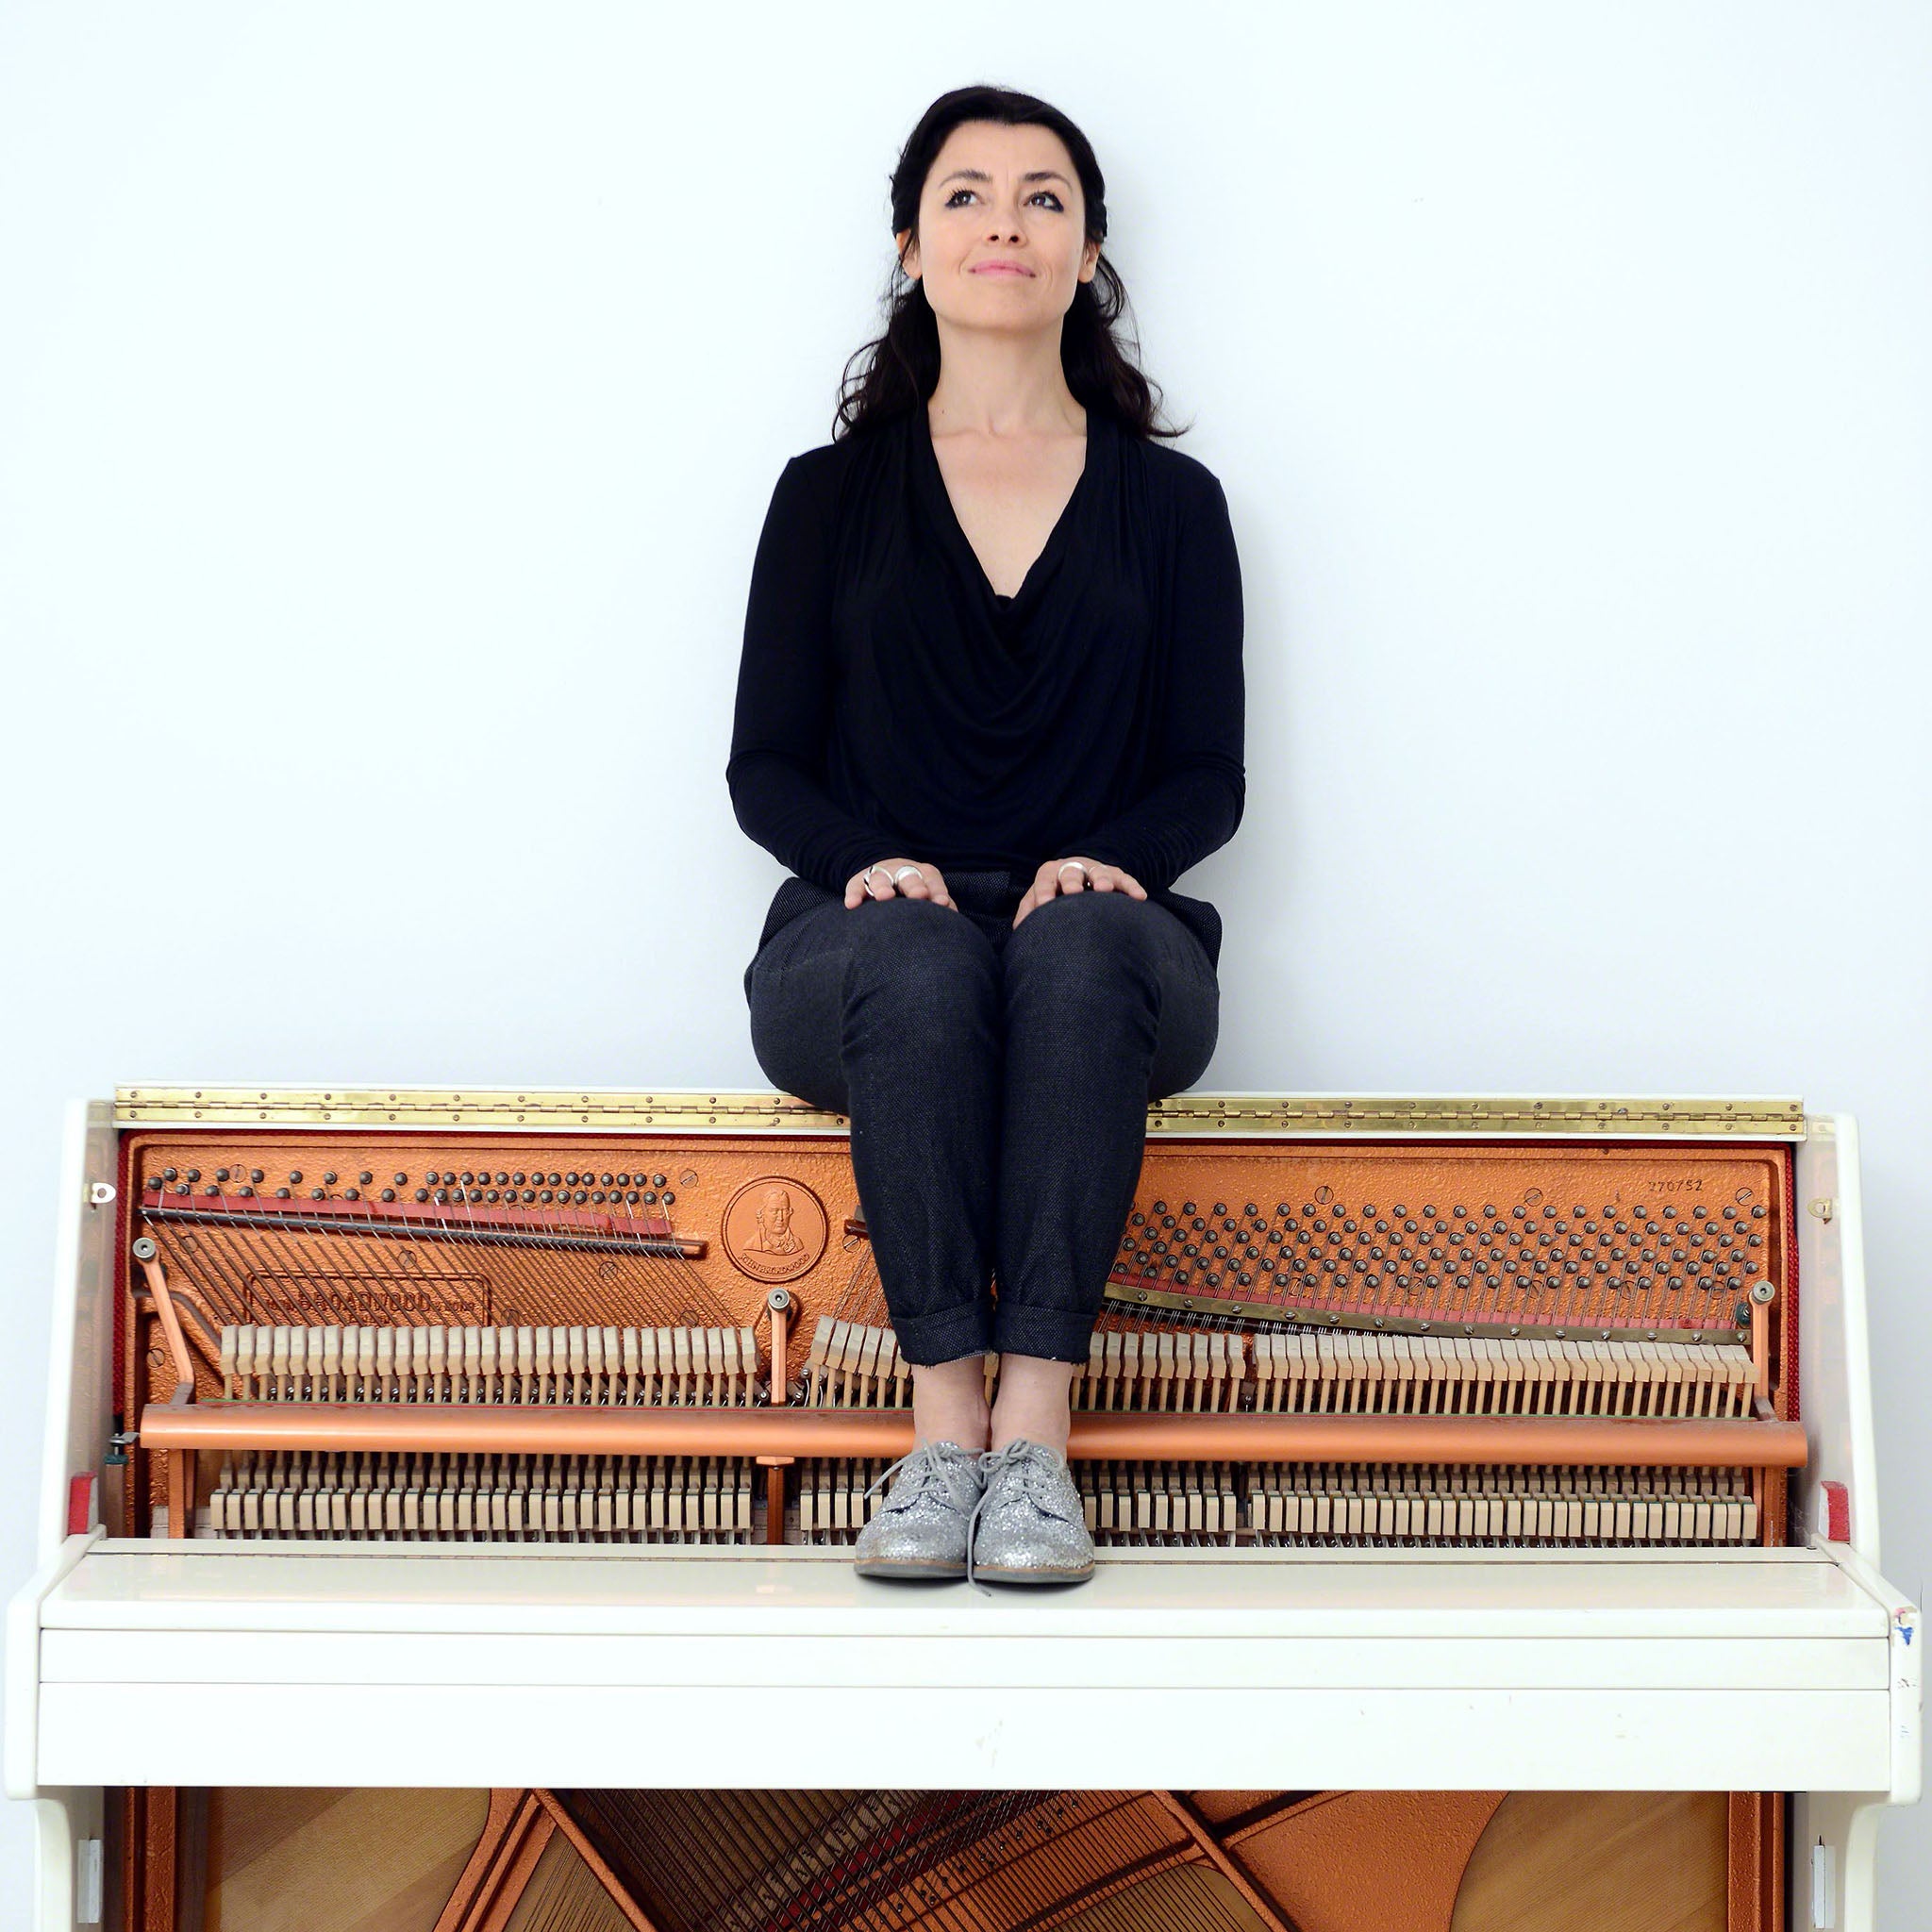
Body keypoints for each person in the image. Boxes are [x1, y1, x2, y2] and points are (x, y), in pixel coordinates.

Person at [726, 84, 1244, 1587]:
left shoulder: (1178, 504)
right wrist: (860, 866)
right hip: (862, 953)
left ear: (1088, 252)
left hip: (1109, 952)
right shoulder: (824, 500)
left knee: (1073, 948)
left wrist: (1118, 864)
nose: (1003, 222)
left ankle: (1035, 1442)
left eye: (1041, 197)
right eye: (964, 195)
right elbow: (764, 767)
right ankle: (939, 1431)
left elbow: (1207, 775)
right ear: (908, 246)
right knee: (925, 953)